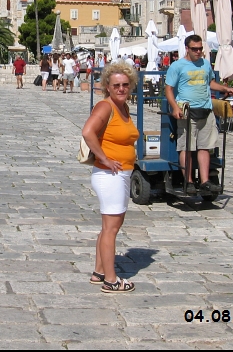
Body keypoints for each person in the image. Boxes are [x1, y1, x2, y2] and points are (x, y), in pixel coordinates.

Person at [82, 62, 139, 294]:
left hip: (120, 174)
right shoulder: (106, 107)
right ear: (107, 86)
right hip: (110, 175)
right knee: (111, 229)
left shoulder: (122, 107)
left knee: (108, 227)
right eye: (116, 85)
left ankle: (99, 272)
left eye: (125, 84)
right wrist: (104, 158)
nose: (121, 89)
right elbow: (87, 132)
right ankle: (111, 280)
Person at [165, 34, 233, 195]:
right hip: (187, 111)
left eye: (200, 49)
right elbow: (168, 89)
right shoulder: (177, 66)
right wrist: (175, 107)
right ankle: (188, 181)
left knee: (205, 146)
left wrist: (225, 89)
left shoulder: (205, 64)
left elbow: (209, 82)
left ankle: (205, 181)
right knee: (187, 147)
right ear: (187, 48)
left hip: (206, 109)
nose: (198, 52)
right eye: (194, 49)